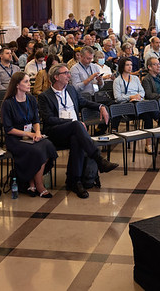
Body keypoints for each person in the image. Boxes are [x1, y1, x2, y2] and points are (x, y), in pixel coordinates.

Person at [38, 64, 117, 197]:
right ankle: (98, 159)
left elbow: (83, 102)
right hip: (55, 132)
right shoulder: (45, 96)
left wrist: (100, 106)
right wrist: (72, 123)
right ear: (56, 77)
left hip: (74, 131)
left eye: (69, 72)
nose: (69, 75)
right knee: (77, 127)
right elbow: (49, 119)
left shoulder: (70, 89)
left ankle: (74, 181)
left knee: (77, 139)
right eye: (65, 73)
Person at [1, 72, 58, 197]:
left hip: (30, 135)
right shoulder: (8, 103)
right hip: (15, 139)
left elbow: (36, 121)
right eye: (26, 82)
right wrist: (30, 134)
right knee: (36, 151)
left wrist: (37, 132)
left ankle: (33, 182)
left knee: (47, 145)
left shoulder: (31, 99)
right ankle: (38, 184)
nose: (29, 84)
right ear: (17, 85)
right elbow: (9, 129)